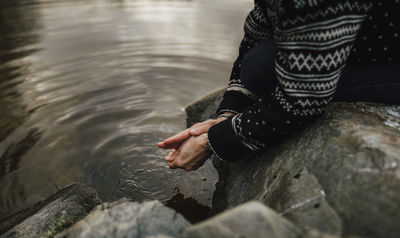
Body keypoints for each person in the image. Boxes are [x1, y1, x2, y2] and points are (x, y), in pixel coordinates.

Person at [158, 0, 400, 171]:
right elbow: (255, 38)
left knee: (276, 81)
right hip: (371, 35)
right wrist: (227, 114)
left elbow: (303, 98)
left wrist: (213, 140)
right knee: (258, 66)